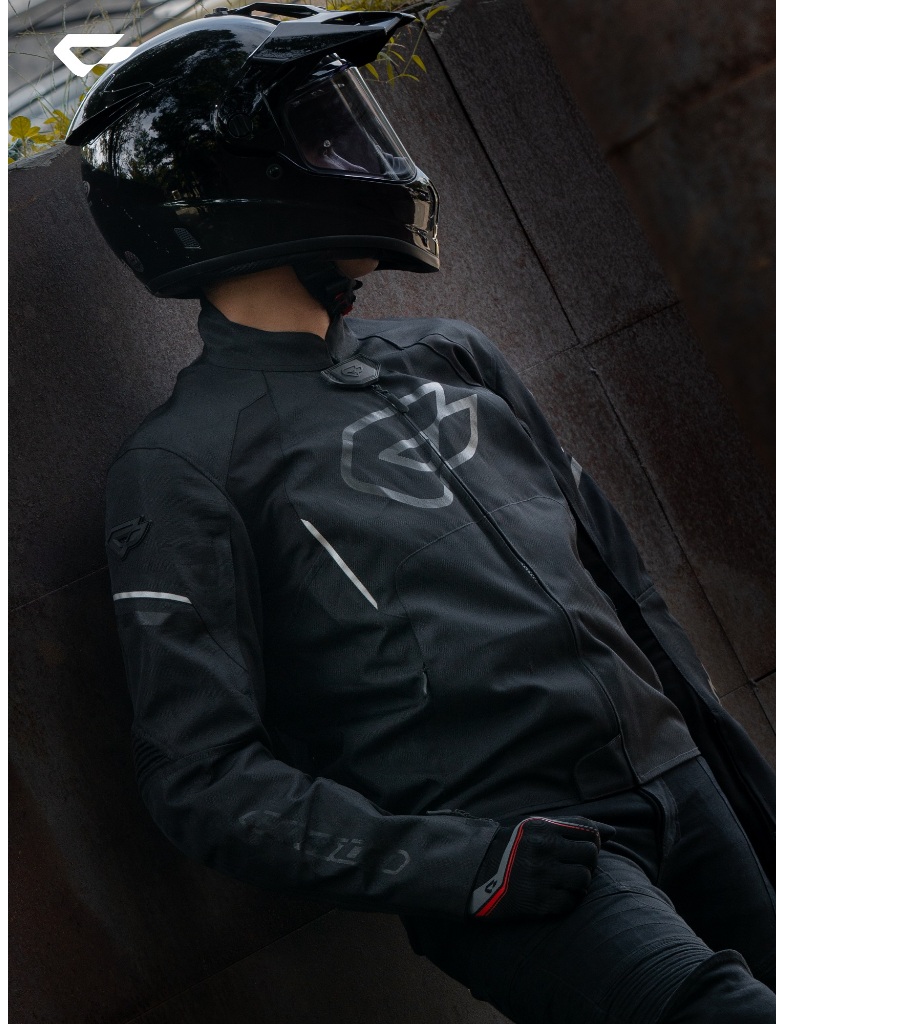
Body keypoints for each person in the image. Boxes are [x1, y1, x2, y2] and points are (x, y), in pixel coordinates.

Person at [66, 6, 775, 1022]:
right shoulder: (183, 463)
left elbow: (621, 585)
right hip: (520, 857)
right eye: (320, 134)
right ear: (231, 184)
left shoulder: (453, 355)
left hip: (686, 782)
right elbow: (200, 778)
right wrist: (464, 866)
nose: (357, 155)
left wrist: (723, 763)